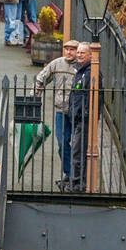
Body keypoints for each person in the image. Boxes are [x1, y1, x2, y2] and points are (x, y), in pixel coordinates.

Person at [34, 40, 79, 180]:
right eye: (67, 49)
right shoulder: (57, 63)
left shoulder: (82, 66)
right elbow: (41, 78)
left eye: (72, 49)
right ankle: (69, 172)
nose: (69, 52)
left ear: (78, 51)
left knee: (79, 145)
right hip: (61, 110)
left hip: (78, 112)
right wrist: (35, 97)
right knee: (62, 143)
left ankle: (77, 174)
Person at [66, 42, 93, 192]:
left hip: (83, 119)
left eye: (83, 53)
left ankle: (77, 185)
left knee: (78, 153)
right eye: (79, 52)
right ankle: (75, 181)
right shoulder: (80, 71)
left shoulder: (90, 73)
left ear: (90, 55)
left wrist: (84, 113)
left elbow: (94, 97)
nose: (79, 55)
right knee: (77, 151)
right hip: (76, 118)